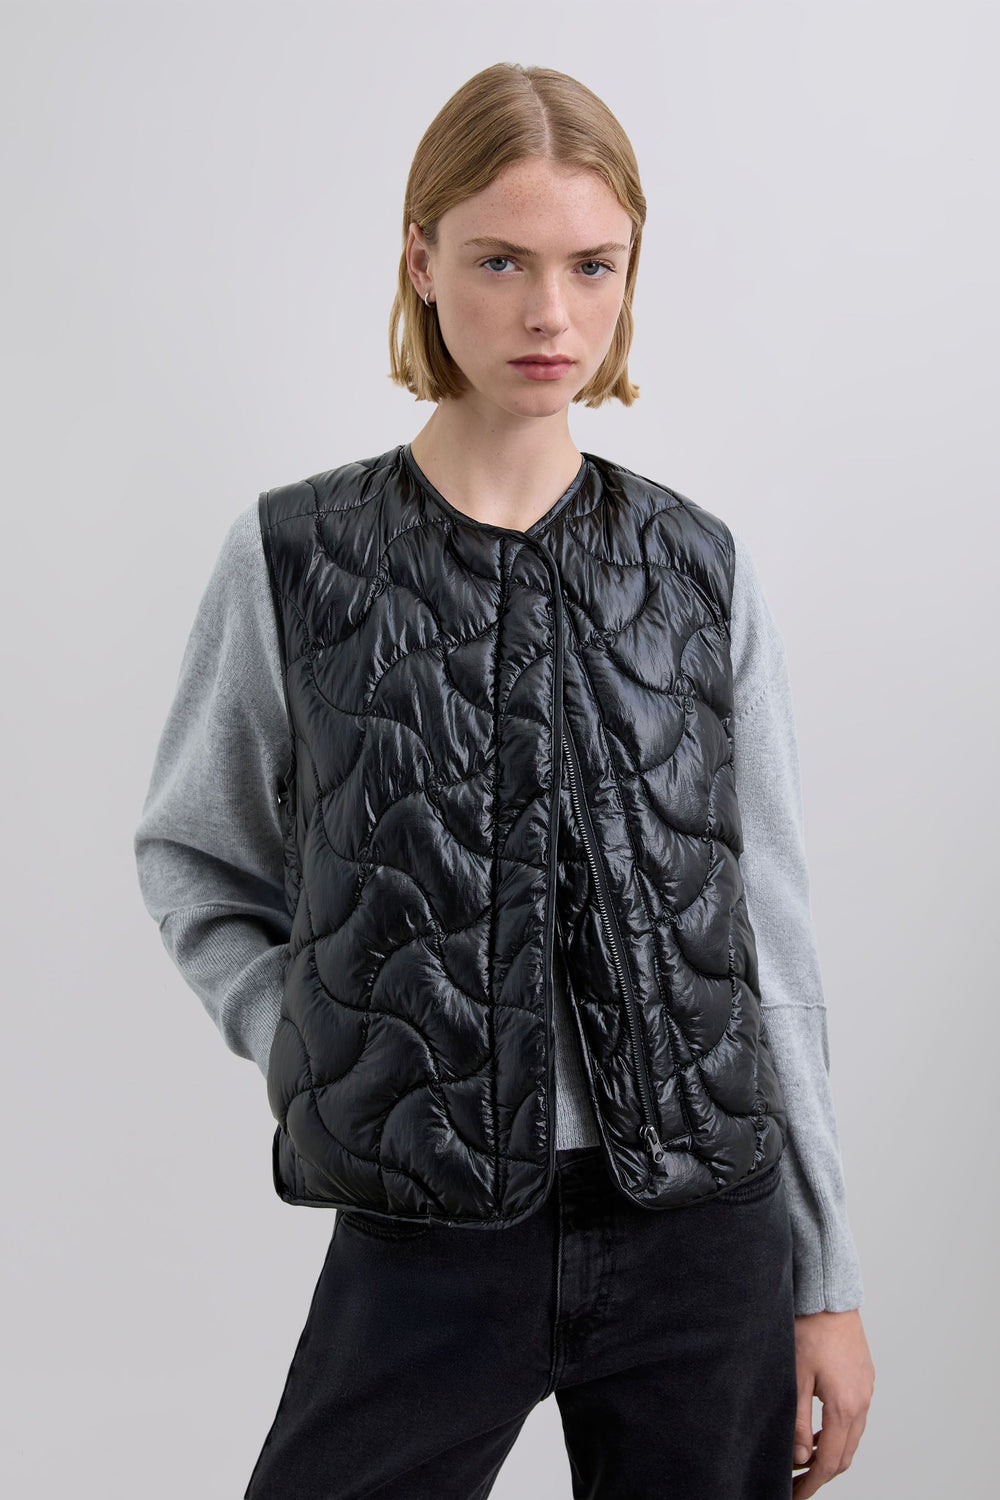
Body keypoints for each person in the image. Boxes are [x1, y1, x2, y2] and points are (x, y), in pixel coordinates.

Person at [134, 61, 874, 1500]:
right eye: (499, 261)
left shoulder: (699, 568)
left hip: (704, 1237)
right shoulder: (294, 557)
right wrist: (309, 1041)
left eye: (592, 265)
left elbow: (769, 940)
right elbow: (194, 857)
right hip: (428, 1233)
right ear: (420, 260)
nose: (550, 314)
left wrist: (826, 1274)